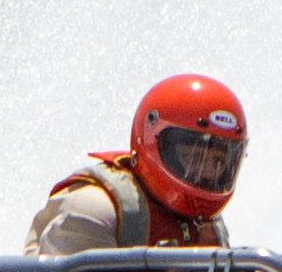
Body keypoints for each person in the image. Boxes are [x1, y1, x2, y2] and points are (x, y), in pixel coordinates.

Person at [28, 74, 248, 253]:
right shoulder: (93, 206)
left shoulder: (212, 225)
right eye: (193, 157)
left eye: (219, 161)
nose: (209, 171)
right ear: (154, 141)